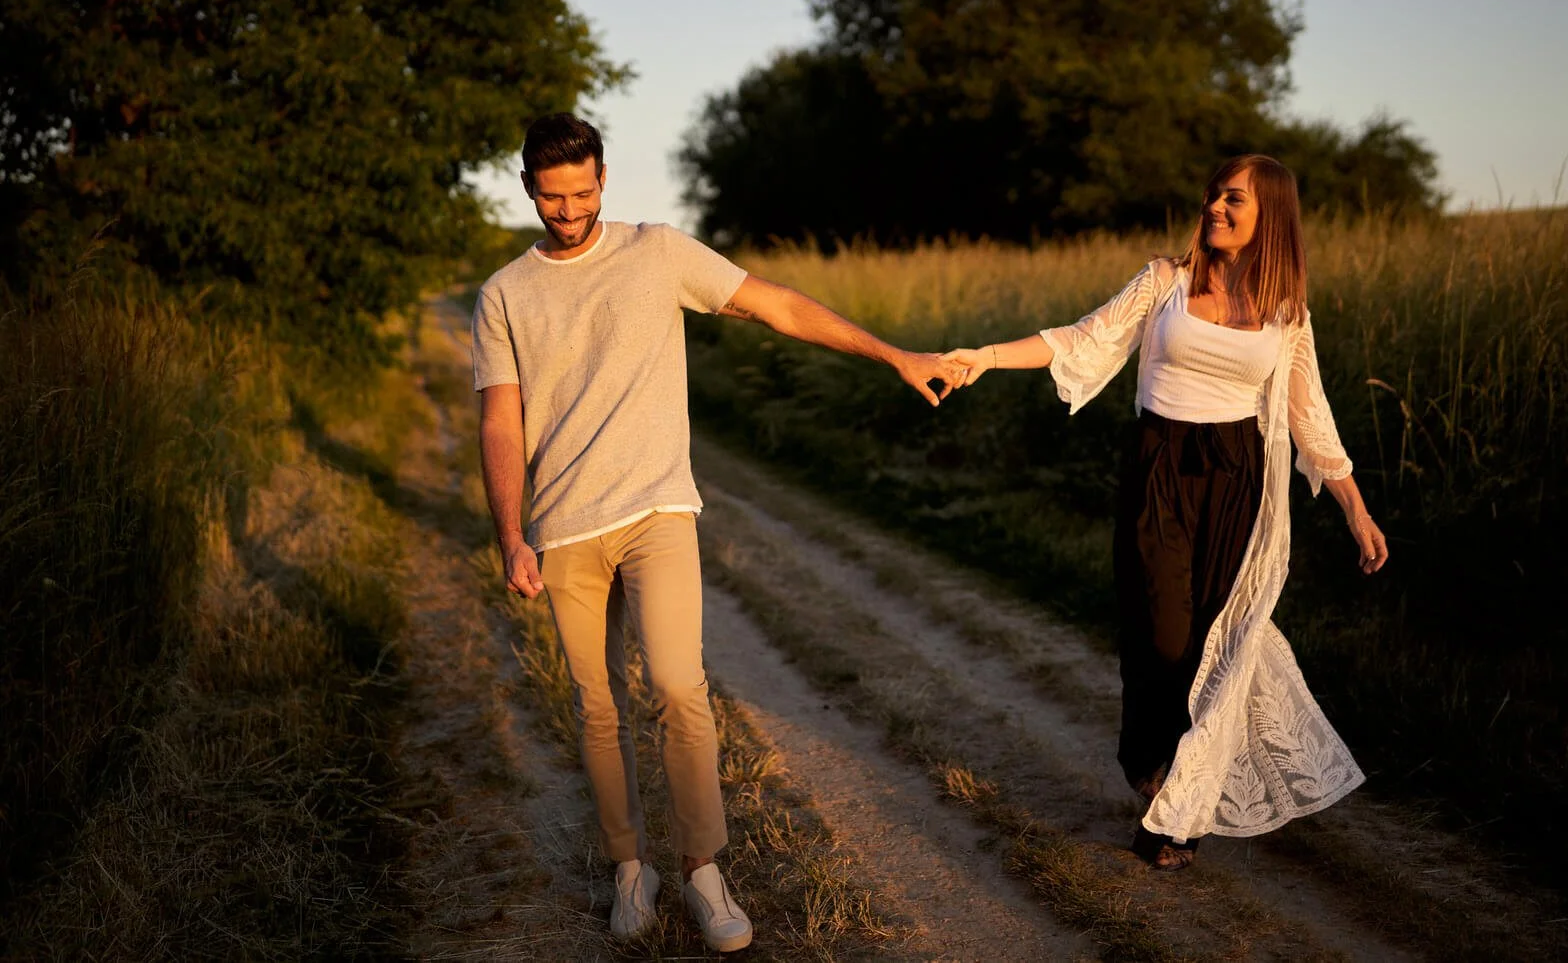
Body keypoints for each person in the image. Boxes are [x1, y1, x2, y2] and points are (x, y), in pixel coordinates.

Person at [472, 113, 960, 950]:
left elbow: (776, 306)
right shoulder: (504, 294)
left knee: (677, 684)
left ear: (603, 179)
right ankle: (632, 869)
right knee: (596, 708)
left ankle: (702, 868)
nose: (568, 210)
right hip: (563, 526)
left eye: (583, 192)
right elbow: (501, 422)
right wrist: (511, 534)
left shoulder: (657, 251)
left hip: (658, 506)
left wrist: (893, 355)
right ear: (526, 189)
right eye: (552, 197)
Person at [943, 155, 1388, 871]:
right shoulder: (1164, 283)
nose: (1215, 206)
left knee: (1217, 643)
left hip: (1237, 480)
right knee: (1163, 632)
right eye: (1213, 193)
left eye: (1233, 198)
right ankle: (1152, 765)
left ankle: (1175, 807)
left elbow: (1310, 415)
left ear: (1268, 213)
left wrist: (1356, 511)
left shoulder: (1286, 312)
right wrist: (985, 356)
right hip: (1159, 469)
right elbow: (1082, 338)